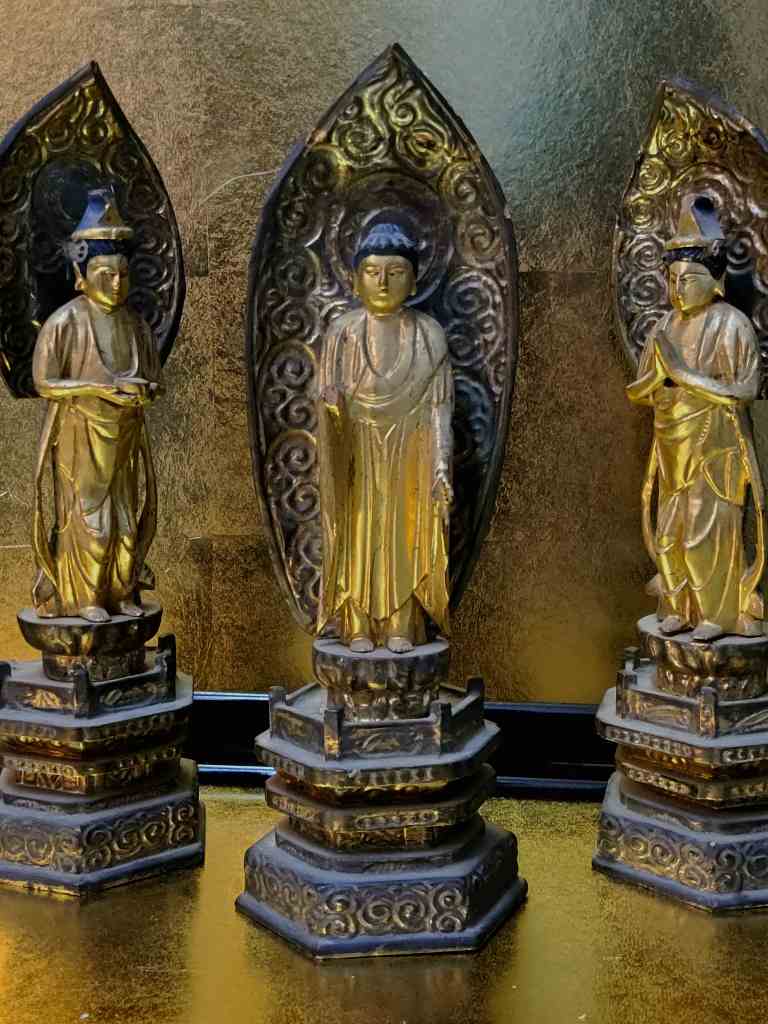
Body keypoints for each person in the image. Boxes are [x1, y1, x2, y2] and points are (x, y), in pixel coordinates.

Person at [628, 195, 764, 642]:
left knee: (705, 533)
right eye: (672, 280)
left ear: (715, 281)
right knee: (669, 534)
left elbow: (746, 390)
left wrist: (684, 376)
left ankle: (717, 613)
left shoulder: (731, 324)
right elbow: (639, 390)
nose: (678, 290)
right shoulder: (663, 327)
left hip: (715, 450)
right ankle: (678, 605)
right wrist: (658, 380)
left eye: (688, 280)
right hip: (672, 448)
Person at [316, 219, 453, 653]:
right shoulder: (342, 333)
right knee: (357, 536)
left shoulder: (428, 335)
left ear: (413, 281)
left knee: (405, 538)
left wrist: (441, 465)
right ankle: (355, 624)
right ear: (355, 279)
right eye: (372, 272)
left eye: (395, 272)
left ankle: (402, 625)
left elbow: (440, 409)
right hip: (356, 454)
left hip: (410, 454)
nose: (383, 282)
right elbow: (326, 401)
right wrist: (333, 408)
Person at [31, 189, 162, 623]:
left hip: (125, 436)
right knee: (91, 522)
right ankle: (83, 596)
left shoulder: (136, 325)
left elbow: (153, 381)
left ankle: (120, 592)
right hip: (80, 436)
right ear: (81, 273)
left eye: (123, 274)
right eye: (105, 274)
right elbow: (44, 382)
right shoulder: (65, 322)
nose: (117, 284)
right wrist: (99, 387)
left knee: (125, 522)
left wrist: (143, 390)